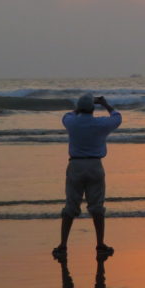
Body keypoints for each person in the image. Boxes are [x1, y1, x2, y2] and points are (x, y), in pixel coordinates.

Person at [53, 94, 122, 259]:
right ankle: (100, 244)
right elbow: (117, 118)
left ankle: (63, 245)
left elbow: (67, 116)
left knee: (71, 205)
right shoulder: (100, 124)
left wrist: (78, 108)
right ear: (93, 108)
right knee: (97, 206)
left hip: (76, 165)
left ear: (79, 108)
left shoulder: (72, 122)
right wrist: (105, 104)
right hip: (94, 165)